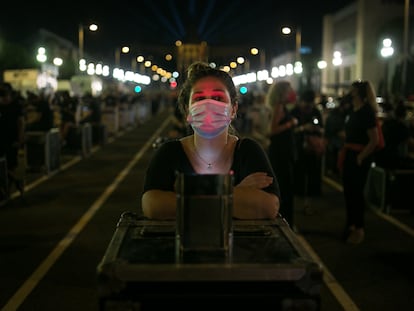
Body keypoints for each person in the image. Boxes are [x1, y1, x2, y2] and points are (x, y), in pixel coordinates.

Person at [141, 61, 280, 220]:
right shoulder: (169, 152)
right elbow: (153, 207)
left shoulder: (248, 151)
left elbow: (269, 206)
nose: (208, 104)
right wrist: (233, 192)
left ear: (233, 109)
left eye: (217, 97)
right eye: (199, 98)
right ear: (187, 111)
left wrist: (186, 194)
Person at [341, 80, 380, 244]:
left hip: (359, 157)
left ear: (359, 93)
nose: (350, 93)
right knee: (348, 192)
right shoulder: (353, 110)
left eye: (353, 91)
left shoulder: (366, 112)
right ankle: (350, 225)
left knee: (357, 193)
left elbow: (374, 140)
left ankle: (359, 228)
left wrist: (361, 157)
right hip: (349, 154)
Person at [265, 80, 298, 228]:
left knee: (287, 185)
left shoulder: (282, 107)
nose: (291, 93)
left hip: (283, 151)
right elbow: (272, 131)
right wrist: (291, 124)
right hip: (281, 153)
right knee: (285, 186)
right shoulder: (279, 107)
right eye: (289, 90)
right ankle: (286, 221)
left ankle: (286, 220)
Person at [291, 89, 324, 214]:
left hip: (312, 149)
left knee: (312, 177)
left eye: (310, 104)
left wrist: (317, 129)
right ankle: (298, 204)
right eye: (305, 103)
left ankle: (308, 204)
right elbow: (290, 131)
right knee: (298, 176)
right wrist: (303, 128)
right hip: (298, 148)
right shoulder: (294, 112)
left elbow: (322, 129)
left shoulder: (316, 112)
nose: (307, 107)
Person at [0, 83, 25, 197]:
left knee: (10, 166)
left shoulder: (16, 105)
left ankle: (9, 187)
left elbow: (20, 123)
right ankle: (12, 185)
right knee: (4, 165)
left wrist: (20, 139)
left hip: (12, 138)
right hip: (2, 138)